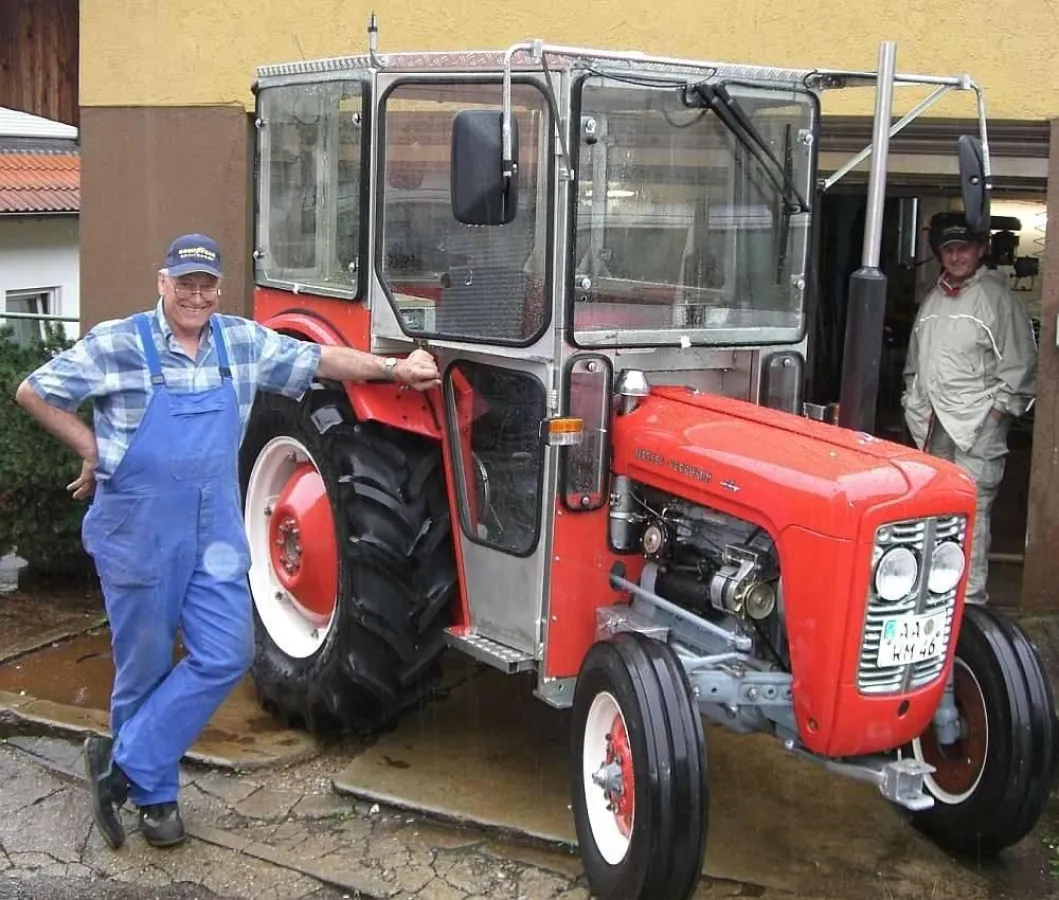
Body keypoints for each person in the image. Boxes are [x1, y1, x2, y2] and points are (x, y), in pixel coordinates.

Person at [14, 234, 441, 850]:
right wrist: (93, 450)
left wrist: (394, 369)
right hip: (138, 533)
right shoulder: (119, 343)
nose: (196, 295)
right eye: (184, 283)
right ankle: (155, 796)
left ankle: (123, 761)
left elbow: (322, 361)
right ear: (163, 283)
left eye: (206, 284)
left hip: (213, 531)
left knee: (225, 653)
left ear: (218, 288)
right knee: (144, 669)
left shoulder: (239, 341)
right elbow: (35, 390)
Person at [902, 212, 1037, 606]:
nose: (957, 256)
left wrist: (994, 418)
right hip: (932, 426)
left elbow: (1020, 367)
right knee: (936, 513)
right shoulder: (933, 300)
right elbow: (916, 363)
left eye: (964, 248)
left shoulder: (996, 299)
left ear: (980, 251)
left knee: (971, 516)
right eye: (949, 249)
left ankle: (969, 602)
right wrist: (911, 400)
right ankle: (935, 597)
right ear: (940, 255)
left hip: (977, 430)